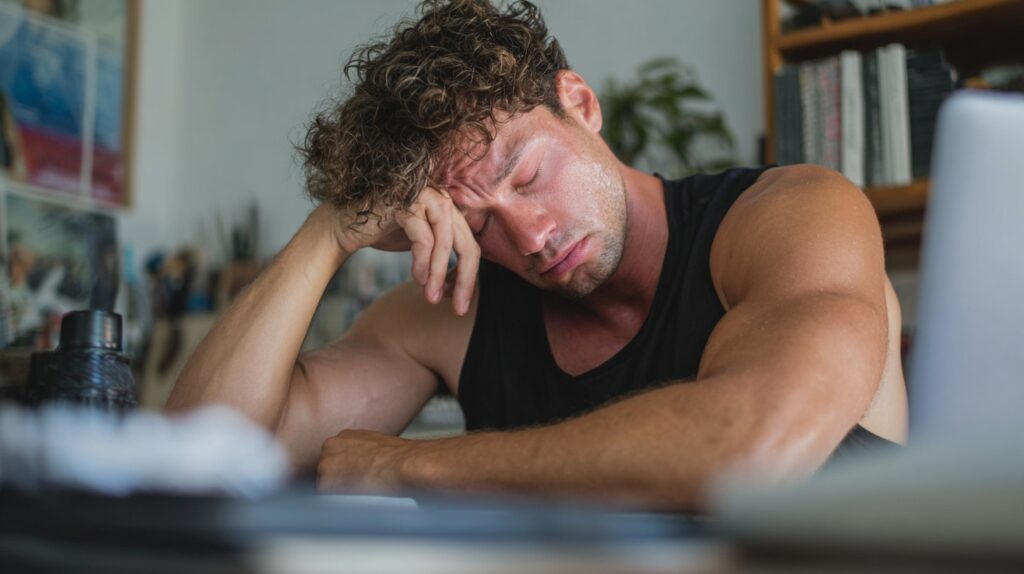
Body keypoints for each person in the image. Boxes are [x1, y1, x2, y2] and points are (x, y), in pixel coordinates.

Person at [166, 0, 908, 510]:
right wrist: (329, 232)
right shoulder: (454, 315)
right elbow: (201, 461)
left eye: (526, 176)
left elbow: (751, 448)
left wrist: (409, 464)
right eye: (475, 221)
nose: (528, 236)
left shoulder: (790, 218)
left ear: (580, 104)